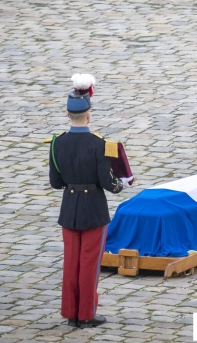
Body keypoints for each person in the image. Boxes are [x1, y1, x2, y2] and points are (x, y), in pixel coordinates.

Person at [48, 74, 130, 328]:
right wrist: (121, 184)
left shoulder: (57, 143)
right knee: (89, 264)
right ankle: (86, 313)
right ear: (89, 113)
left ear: (67, 113)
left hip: (69, 209)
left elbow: (55, 182)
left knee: (71, 262)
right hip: (93, 209)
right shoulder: (99, 144)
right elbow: (108, 183)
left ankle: (71, 313)